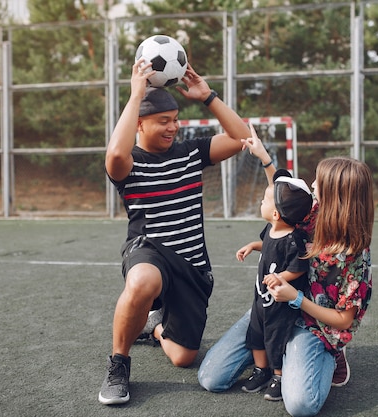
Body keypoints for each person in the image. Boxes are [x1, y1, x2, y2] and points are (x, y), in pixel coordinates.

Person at [99, 59, 251, 405]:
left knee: (184, 357)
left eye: (176, 120)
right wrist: (136, 94)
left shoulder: (190, 153)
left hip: (192, 266)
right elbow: (115, 152)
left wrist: (208, 96)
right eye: (164, 121)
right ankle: (118, 365)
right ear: (139, 123)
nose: (174, 128)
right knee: (142, 282)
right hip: (150, 250)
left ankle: (153, 324)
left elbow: (244, 138)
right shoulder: (129, 164)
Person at [198, 155, 374, 417]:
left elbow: (344, 320)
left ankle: (328, 355)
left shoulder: (354, 256)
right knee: (211, 378)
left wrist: (296, 299)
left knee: (301, 405)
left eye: (319, 183)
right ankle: (273, 354)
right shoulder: (310, 214)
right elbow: (282, 198)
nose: (312, 185)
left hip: (313, 324)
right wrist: (265, 158)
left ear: (336, 198)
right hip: (272, 309)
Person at [235, 129, 313, 401]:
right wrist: (252, 246)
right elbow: (265, 246)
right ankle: (261, 370)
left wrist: (282, 277)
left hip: (280, 304)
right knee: (255, 334)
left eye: (265, 200)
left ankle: (279, 376)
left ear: (277, 213)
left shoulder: (294, 239)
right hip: (260, 298)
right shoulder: (270, 230)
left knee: (274, 338)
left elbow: (299, 268)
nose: (261, 200)